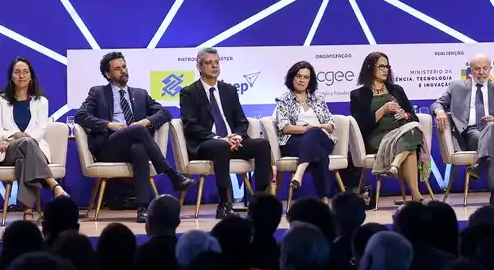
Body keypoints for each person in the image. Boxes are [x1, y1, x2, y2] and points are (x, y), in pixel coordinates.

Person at [76, 51, 194, 223]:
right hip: (109, 147)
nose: (123, 71)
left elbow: (165, 113)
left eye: (124, 67)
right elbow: (80, 116)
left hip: (133, 144)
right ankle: (172, 175)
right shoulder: (97, 92)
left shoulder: (140, 94)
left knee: (139, 148)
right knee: (138, 131)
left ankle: (142, 208)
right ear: (108, 74)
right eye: (117, 69)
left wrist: (147, 121)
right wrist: (109, 124)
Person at [178, 48, 273, 217]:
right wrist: (219, 138)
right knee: (220, 146)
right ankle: (224, 204)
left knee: (262, 144)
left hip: (233, 142)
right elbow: (191, 126)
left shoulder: (229, 90)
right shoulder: (189, 92)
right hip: (206, 144)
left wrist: (237, 136)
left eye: (216, 62)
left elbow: (241, 120)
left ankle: (260, 202)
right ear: (199, 67)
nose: (214, 66)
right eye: (209, 63)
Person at [0, 56, 67, 221]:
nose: (21, 75)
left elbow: (41, 129)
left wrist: (25, 138)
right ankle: (53, 184)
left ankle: (28, 211)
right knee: (26, 144)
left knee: (24, 159)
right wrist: (12, 136)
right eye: (17, 72)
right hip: (8, 149)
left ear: (31, 76)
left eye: (25, 72)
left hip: (34, 149)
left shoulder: (41, 101)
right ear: (11, 76)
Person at [432, 53, 494, 206]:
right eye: (477, 69)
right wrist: (439, 111)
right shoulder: (456, 87)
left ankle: (478, 165)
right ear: (470, 70)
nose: (481, 72)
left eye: (485, 68)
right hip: (471, 133)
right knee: (488, 144)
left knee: (491, 127)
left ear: (490, 69)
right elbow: (437, 104)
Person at [349, 51, 429, 202]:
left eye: (387, 66)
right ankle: (416, 196)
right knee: (411, 144)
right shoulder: (358, 95)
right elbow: (361, 125)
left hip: (401, 131)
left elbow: (414, 117)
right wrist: (382, 110)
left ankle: (395, 166)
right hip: (377, 136)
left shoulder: (396, 90)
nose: (385, 70)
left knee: (414, 130)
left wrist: (405, 115)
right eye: (381, 66)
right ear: (370, 68)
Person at [274, 61, 339, 200]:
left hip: (323, 138)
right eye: (298, 76)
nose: (302, 80)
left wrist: (315, 128)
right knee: (321, 153)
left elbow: (330, 125)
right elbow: (285, 127)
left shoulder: (318, 98)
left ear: (310, 80)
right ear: (292, 78)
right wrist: (307, 129)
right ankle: (324, 199)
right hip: (294, 142)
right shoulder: (284, 99)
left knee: (315, 132)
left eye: (306, 77)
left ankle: (300, 172)